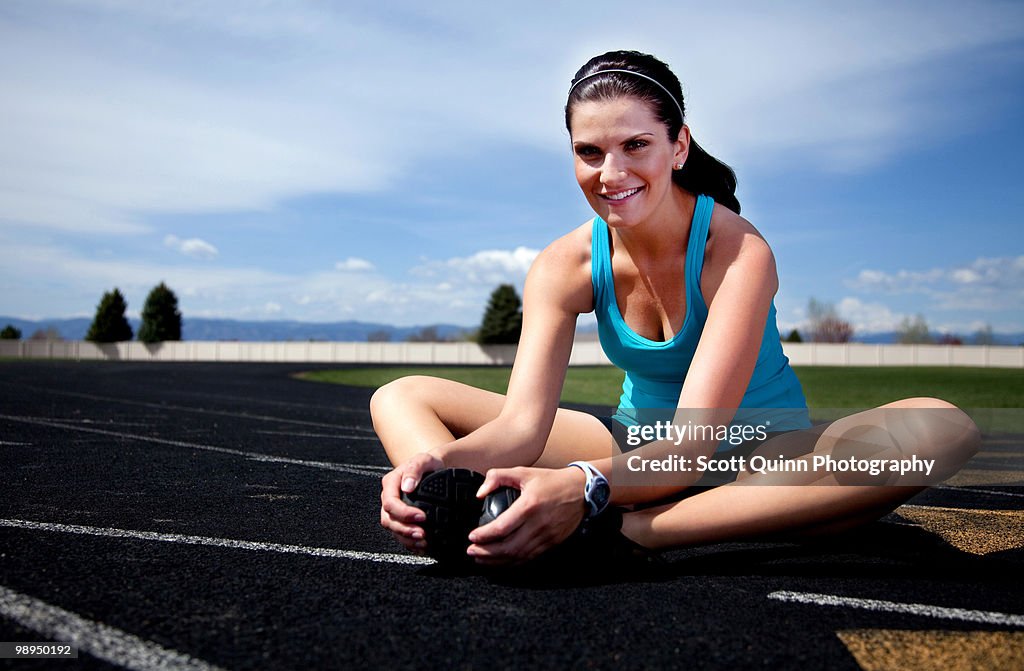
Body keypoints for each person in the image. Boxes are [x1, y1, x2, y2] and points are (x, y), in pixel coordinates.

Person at [373, 50, 980, 567]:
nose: (611, 173)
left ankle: (625, 534)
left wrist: (585, 487)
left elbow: (694, 446)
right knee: (400, 396)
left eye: (635, 145)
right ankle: (467, 520)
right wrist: (437, 468)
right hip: (634, 453)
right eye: (589, 152)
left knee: (940, 427)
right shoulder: (566, 264)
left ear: (678, 146)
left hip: (758, 461)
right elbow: (523, 428)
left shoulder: (737, 251)